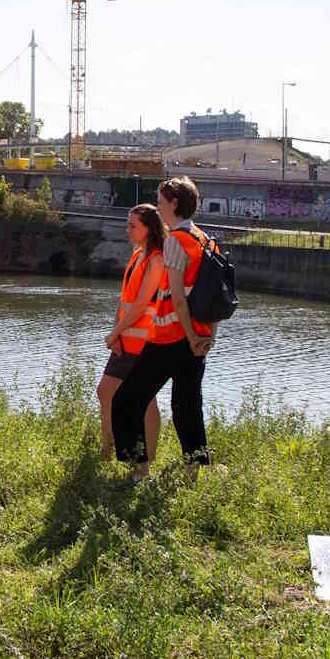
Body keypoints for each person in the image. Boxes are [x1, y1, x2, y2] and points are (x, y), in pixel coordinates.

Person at [110, 178, 218, 483]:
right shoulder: (205, 240)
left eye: (161, 200)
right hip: (196, 340)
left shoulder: (174, 242)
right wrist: (207, 335)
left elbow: (179, 301)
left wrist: (191, 336)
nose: (158, 205)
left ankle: (139, 471)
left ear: (173, 203)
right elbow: (213, 297)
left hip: (171, 337)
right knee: (187, 404)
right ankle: (193, 474)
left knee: (127, 400)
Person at [98, 204, 164, 465]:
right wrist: (116, 334)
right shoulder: (138, 254)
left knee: (145, 402)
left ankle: (144, 460)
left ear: (148, 228)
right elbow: (125, 300)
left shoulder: (156, 259)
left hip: (145, 342)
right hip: (127, 340)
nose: (128, 229)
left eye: (132, 225)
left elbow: (141, 305)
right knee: (105, 392)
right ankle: (108, 451)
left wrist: (116, 331)